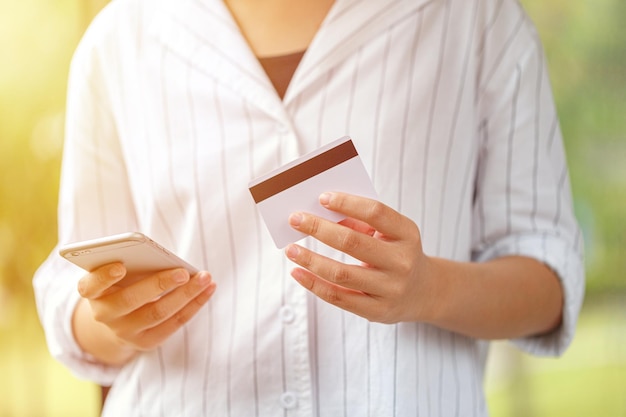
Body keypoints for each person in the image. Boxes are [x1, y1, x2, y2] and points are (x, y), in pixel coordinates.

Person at [33, 0, 585, 415]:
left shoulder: (473, 18)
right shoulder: (118, 41)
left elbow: (549, 277)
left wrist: (430, 289)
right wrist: (115, 322)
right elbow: (73, 292)